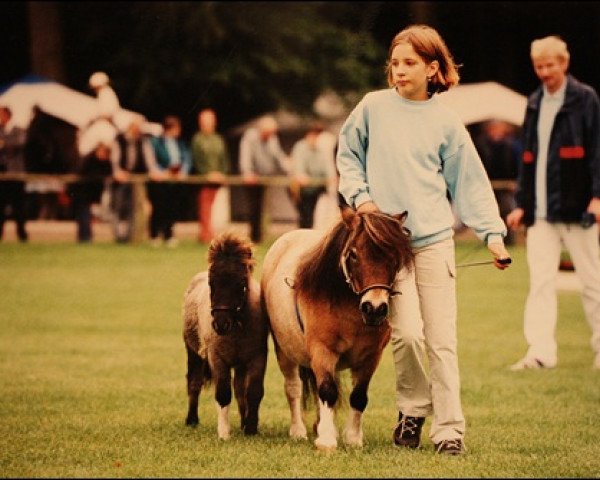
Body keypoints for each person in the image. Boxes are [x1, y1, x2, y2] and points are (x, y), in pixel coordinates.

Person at [336, 24, 511, 455]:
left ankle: (449, 431)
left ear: (433, 68)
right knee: (408, 334)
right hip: (384, 247)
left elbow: (469, 182)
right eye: (394, 63)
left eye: (409, 63)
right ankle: (412, 411)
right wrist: (362, 199)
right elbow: (347, 154)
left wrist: (493, 234)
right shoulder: (372, 108)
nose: (399, 71)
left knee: (441, 340)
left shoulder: (446, 122)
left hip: (433, 242)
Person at [506, 36, 600, 371]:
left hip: (579, 210)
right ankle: (540, 353)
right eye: (539, 66)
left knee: (593, 282)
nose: (544, 72)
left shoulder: (586, 99)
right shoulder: (533, 102)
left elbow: (596, 152)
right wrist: (522, 204)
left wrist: (597, 197)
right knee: (540, 283)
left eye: (550, 65)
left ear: (564, 62)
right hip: (541, 214)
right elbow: (528, 160)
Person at [238, 114, 290, 242]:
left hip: (266, 177)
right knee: (254, 208)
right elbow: (245, 156)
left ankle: (260, 236)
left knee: (263, 208)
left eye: (272, 133)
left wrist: (292, 171)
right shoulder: (250, 137)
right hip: (252, 178)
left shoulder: (273, 139)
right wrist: (247, 172)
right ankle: (254, 237)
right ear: (261, 130)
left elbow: (279, 158)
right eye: (268, 133)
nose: (270, 136)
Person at [473, 119, 522, 245]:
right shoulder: (481, 144)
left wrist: (515, 180)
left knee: (506, 210)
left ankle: (508, 240)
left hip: (506, 184)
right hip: (488, 184)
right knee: (489, 212)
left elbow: (517, 164)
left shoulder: (511, 145)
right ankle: (490, 239)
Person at [146, 115, 191, 247]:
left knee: (172, 208)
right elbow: (152, 160)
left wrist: (182, 172)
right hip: (160, 180)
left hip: (174, 181)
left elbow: (186, 159)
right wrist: (161, 172)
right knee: (158, 208)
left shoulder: (180, 143)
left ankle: (168, 235)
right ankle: (154, 235)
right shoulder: (156, 142)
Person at [109, 116, 153, 243]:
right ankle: (119, 237)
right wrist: (117, 172)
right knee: (119, 208)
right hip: (121, 180)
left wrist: (152, 171)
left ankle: (132, 236)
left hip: (136, 180)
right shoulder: (120, 139)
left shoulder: (142, 140)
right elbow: (115, 159)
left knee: (135, 209)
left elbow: (149, 159)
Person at [191, 108, 230, 243]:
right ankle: (206, 235)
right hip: (204, 180)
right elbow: (196, 160)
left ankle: (214, 235)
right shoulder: (197, 139)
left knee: (217, 209)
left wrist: (222, 173)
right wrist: (207, 174)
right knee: (205, 208)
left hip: (219, 179)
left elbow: (224, 159)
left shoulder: (218, 139)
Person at [288, 121, 337, 228]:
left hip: (316, 188)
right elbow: (298, 167)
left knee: (313, 215)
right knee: (305, 215)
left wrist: (330, 178)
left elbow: (326, 168)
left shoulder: (321, 149)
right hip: (302, 190)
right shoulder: (300, 147)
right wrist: (301, 176)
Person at [67, 142, 112, 243]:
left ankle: (85, 237)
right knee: (84, 215)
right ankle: (85, 238)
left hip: (89, 194)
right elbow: (82, 174)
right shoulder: (88, 160)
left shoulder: (105, 162)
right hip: (81, 192)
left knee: (85, 215)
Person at [0, 105, 28, 242]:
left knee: (19, 207)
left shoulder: (18, 130)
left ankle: (22, 235)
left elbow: (20, 143)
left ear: (7, 115)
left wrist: (4, 144)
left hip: (16, 175)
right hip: (2, 176)